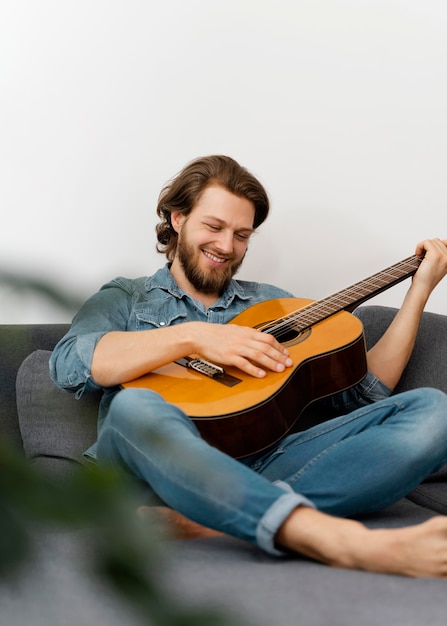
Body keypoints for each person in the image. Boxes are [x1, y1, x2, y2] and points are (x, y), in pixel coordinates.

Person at [50, 154, 447, 577]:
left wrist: (418, 291)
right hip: (148, 470)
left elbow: (364, 393)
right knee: (136, 406)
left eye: (242, 235)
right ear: (178, 218)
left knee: (434, 410)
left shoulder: (274, 305)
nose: (227, 246)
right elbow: (69, 363)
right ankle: (332, 539)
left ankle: (212, 522)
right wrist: (193, 335)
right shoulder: (128, 296)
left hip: (259, 465)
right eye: (214, 227)